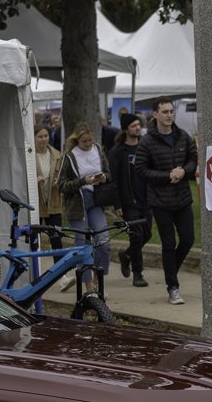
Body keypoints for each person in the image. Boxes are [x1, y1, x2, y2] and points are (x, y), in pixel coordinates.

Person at [138, 98, 198, 305]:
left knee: (188, 239)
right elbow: (141, 170)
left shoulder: (183, 136)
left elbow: (193, 160)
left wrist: (183, 171)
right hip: (160, 201)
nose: (169, 115)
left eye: (171, 111)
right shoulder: (147, 141)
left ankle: (170, 269)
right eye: (165, 112)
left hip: (182, 198)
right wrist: (167, 175)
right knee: (168, 244)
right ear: (155, 114)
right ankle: (173, 287)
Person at [62, 128, 109, 275]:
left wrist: (104, 178)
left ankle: (98, 277)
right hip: (77, 203)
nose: (88, 144)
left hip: (96, 200)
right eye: (84, 142)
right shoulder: (70, 156)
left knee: (103, 241)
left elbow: (108, 173)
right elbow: (62, 185)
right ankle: (86, 281)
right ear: (77, 141)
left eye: (90, 140)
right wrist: (82, 181)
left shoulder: (98, 150)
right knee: (82, 243)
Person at [110, 118, 150, 287]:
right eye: (133, 126)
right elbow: (115, 179)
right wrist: (117, 204)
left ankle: (126, 255)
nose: (137, 128)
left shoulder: (145, 146)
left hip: (146, 199)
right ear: (126, 129)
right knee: (136, 235)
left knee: (147, 234)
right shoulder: (118, 151)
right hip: (128, 201)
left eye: (138, 125)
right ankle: (138, 273)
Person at [32, 126, 65, 246]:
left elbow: (64, 177)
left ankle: (59, 260)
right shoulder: (29, 155)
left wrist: (59, 181)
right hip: (36, 205)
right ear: (33, 138)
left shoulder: (57, 155)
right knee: (33, 241)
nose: (44, 139)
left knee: (57, 241)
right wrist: (34, 181)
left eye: (46, 136)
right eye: (40, 136)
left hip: (54, 204)